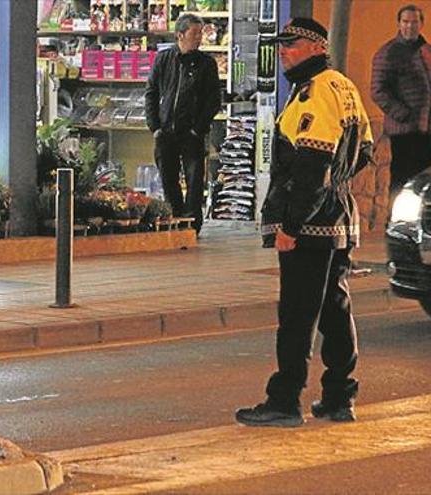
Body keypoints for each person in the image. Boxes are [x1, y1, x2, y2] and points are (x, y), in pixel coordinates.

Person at [235, 18, 374, 427]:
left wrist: (291, 225)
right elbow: (364, 150)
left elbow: (312, 167)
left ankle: (284, 401)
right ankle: (338, 397)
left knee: (297, 314)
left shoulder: (314, 95)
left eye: (291, 44)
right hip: (339, 218)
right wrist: (337, 187)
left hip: (310, 226)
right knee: (334, 308)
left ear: (316, 47)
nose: (283, 52)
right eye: (281, 45)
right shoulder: (343, 87)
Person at [145, 13, 221, 235]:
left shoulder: (206, 64)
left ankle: (192, 224)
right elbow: (151, 92)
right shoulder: (164, 59)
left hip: (192, 134)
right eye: (194, 33)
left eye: (200, 33)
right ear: (180, 35)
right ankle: (175, 218)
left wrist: (198, 128)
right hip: (166, 131)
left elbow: (213, 100)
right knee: (168, 179)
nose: (199, 38)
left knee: (195, 180)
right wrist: (155, 126)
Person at [371, 4, 431, 196]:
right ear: (399, 24)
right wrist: (403, 114)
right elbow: (378, 90)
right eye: (405, 22)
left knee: (425, 183)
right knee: (401, 181)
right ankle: (396, 223)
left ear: (421, 24)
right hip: (404, 132)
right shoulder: (388, 52)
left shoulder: (427, 51)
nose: (410, 26)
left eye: (414, 22)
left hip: (427, 129)